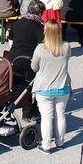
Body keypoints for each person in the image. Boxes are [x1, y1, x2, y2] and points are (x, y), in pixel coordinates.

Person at [31, 20, 72, 153]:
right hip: (63, 87)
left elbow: (34, 67)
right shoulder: (66, 47)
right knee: (60, 115)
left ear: (46, 32)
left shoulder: (40, 49)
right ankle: (60, 141)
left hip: (44, 88)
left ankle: (46, 145)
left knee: (47, 118)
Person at [9, 0, 45, 78]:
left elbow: (10, 41)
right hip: (28, 61)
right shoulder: (40, 27)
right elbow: (41, 48)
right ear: (40, 13)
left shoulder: (17, 22)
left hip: (12, 59)